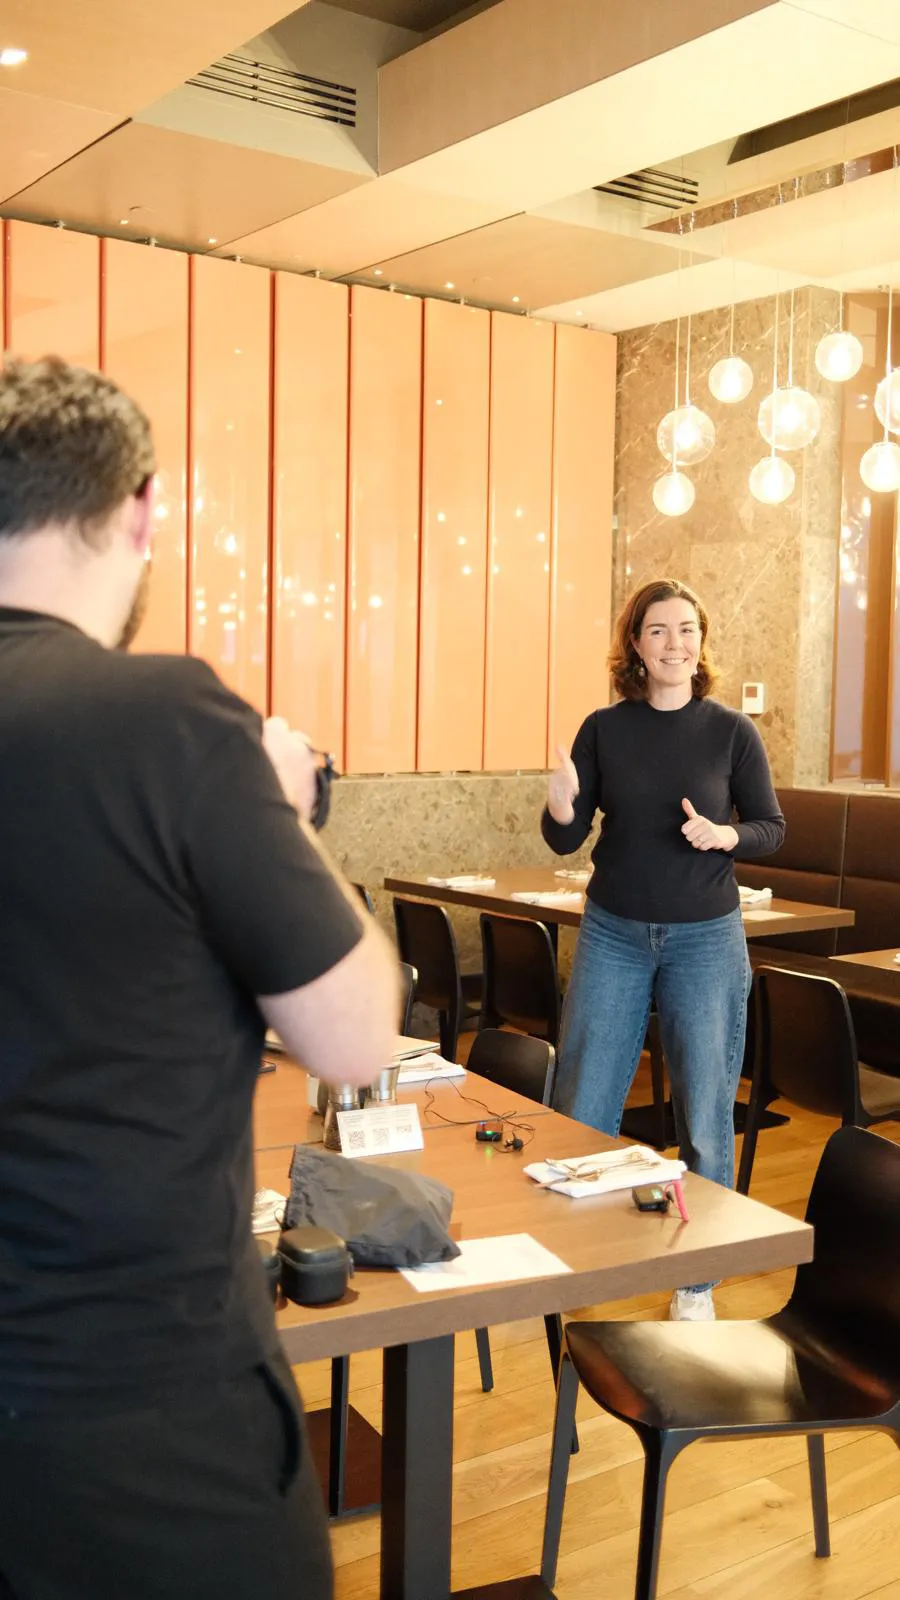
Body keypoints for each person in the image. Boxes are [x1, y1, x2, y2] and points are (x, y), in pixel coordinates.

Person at [0, 356, 400, 1599]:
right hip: (140, 1422)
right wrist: (283, 814)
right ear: (139, 510)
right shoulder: (168, 717)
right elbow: (351, 1036)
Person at [542, 577, 784, 1323]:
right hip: (614, 931)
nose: (674, 643)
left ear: (700, 643)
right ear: (636, 647)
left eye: (686, 630)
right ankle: (571, 1263)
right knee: (585, 1103)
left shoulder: (731, 734)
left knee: (706, 1114)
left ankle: (696, 1283)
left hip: (706, 938)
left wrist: (726, 836)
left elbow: (771, 827)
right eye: (658, 631)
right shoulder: (604, 729)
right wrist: (557, 804)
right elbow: (564, 836)